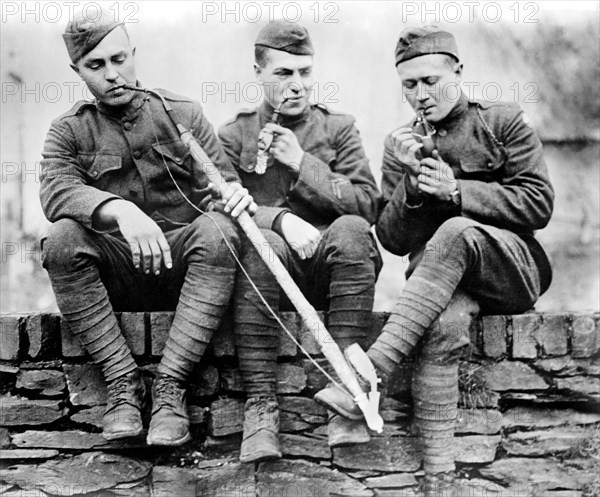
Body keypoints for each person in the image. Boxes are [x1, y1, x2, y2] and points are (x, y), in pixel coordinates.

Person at [315, 26, 554, 495]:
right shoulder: (399, 143)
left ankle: (369, 372)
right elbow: (391, 239)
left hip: (512, 270)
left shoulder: (502, 122)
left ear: (458, 72)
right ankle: (440, 479)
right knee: (442, 330)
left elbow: (539, 204)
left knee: (456, 229)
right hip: (441, 283)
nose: (421, 95)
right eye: (410, 85)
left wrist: (457, 192)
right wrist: (408, 183)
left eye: (431, 81)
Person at [40, 11, 256, 447]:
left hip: (189, 276)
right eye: (96, 66)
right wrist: (118, 209)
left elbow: (221, 186)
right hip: (117, 275)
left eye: (119, 59)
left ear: (134, 54)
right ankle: (123, 384)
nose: (113, 74)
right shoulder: (69, 129)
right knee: (62, 240)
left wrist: (232, 196)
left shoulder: (182, 114)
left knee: (219, 231)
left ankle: (170, 389)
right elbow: (56, 191)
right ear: (76, 72)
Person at [218, 20, 382, 461]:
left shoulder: (339, 128)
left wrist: (302, 163)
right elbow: (220, 207)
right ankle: (261, 407)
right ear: (258, 72)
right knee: (258, 244)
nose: (297, 85)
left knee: (351, 229)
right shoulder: (233, 136)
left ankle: (348, 389)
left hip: (334, 273)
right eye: (283, 73)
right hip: (264, 279)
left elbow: (368, 206)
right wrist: (280, 219)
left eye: (305, 73)